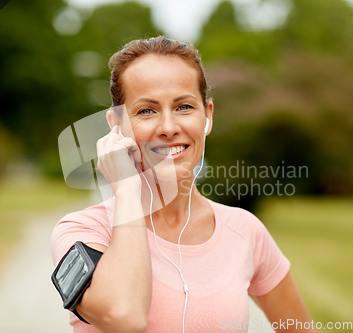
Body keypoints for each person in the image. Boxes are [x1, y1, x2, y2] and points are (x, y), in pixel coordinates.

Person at [51, 36, 316, 333]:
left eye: (184, 107)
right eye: (146, 111)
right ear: (116, 125)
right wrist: (126, 191)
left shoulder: (245, 231)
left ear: (208, 116)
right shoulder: (84, 231)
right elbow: (125, 317)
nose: (168, 128)